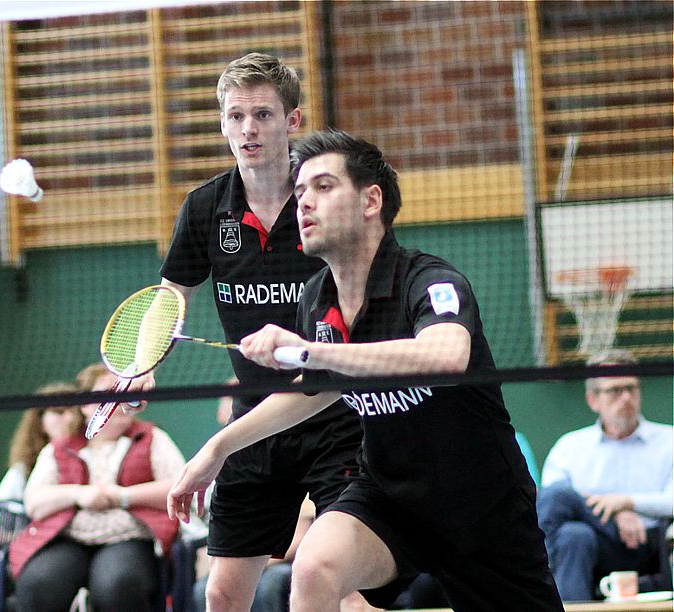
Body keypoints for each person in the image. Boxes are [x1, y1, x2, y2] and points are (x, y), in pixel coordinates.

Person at [168, 129, 564, 611]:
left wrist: (314, 353)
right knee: (313, 568)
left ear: (370, 200)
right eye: (299, 191)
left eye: (323, 187)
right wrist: (218, 448)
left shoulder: (431, 281)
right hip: (389, 497)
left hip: (481, 507)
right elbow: (315, 390)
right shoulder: (317, 297)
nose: (303, 203)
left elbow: (445, 356)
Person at [151, 52, 363, 611]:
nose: (248, 129)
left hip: (336, 413)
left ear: (293, 122)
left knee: (345, 586)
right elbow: (174, 292)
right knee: (221, 591)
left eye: (264, 115)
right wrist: (144, 359)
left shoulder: (325, 199)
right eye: (236, 115)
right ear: (222, 121)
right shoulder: (204, 209)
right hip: (255, 420)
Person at [9, 363, 186, 612]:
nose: (120, 399)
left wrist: (123, 496)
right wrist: (79, 494)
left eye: (124, 390)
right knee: (38, 584)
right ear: (85, 404)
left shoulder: (153, 438)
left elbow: (180, 488)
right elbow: (35, 501)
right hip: (70, 539)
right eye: (109, 392)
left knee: (118, 585)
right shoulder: (59, 448)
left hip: (129, 539)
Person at [537, 349, 674, 601]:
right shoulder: (569, 446)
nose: (625, 398)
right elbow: (552, 503)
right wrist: (615, 511)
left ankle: (532, 576)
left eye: (631, 389)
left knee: (560, 496)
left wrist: (626, 502)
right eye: (614, 391)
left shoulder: (669, 440)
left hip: (651, 545)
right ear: (593, 400)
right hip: (597, 546)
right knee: (572, 535)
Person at [0, 382, 84, 501]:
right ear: (40, 423)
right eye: (59, 411)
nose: (70, 419)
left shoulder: (90, 456)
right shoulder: (23, 470)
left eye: (75, 412)